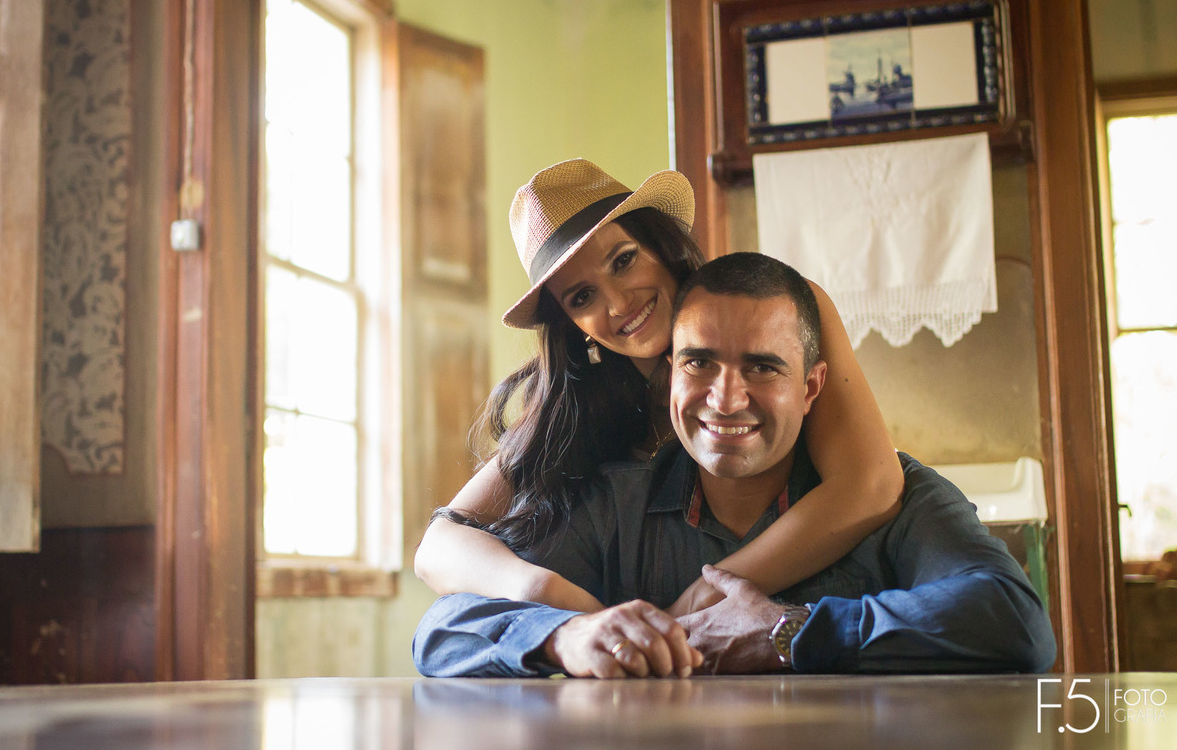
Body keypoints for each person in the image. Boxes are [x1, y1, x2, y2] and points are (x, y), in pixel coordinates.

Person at [412, 253, 1056, 678]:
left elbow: (1016, 623)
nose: (726, 399)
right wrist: (565, 636)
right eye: (698, 363)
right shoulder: (615, 500)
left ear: (812, 387)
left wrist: (792, 631)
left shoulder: (902, 497)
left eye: (763, 366)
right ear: (669, 375)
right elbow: (440, 631)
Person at [414, 159, 903, 621]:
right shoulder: (577, 402)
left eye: (623, 261)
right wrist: (548, 597)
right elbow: (439, 546)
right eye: (582, 297)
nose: (619, 303)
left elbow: (871, 488)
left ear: (661, 245)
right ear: (572, 322)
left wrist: (704, 597)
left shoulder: (786, 310)